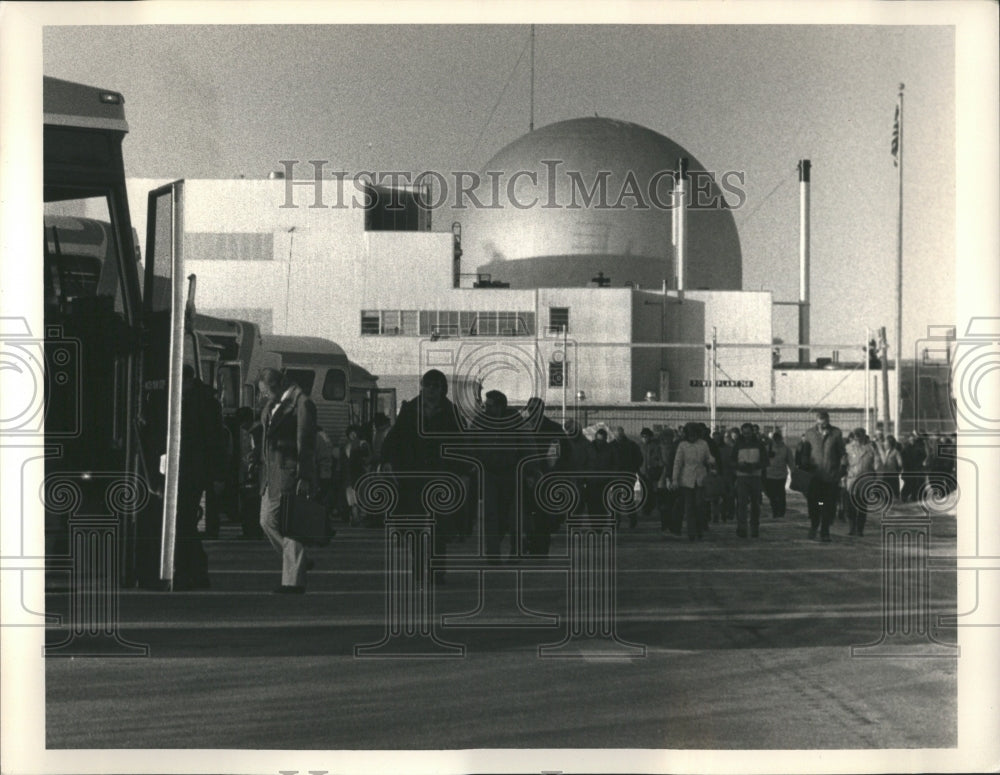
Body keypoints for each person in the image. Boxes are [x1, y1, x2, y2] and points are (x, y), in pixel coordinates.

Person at [381, 369, 466, 580]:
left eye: (435, 387)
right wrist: (386, 461)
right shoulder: (410, 410)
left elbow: (462, 445)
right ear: (422, 387)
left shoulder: (451, 412)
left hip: (440, 474)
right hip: (413, 475)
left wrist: (462, 471)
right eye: (427, 386)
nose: (431, 391)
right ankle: (419, 570)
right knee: (416, 525)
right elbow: (395, 437)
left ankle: (437, 570)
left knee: (439, 525)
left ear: (441, 389)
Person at [258, 367, 317, 594]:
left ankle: (293, 582)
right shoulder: (273, 405)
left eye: (265, 392)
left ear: (277, 386)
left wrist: (304, 475)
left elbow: (306, 442)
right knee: (266, 521)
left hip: (290, 473)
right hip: (271, 474)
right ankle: (298, 560)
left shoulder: (302, 404)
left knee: (290, 526)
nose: (263, 396)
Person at [174, 364, 227, 589]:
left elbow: (213, 441)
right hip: (193, 471)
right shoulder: (205, 400)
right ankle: (192, 571)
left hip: (192, 471)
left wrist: (217, 475)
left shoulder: (201, 403)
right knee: (185, 521)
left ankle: (192, 571)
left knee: (183, 521)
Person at [522, 398, 565, 556]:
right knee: (526, 513)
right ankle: (530, 542)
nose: (532, 411)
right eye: (530, 408)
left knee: (543, 514)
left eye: (535, 408)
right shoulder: (522, 428)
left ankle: (540, 547)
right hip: (526, 477)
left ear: (542, 409)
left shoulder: (553, 428)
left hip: (546, 477)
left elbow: (562, 455)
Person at [796, 410, 847, 542]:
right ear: (816, 421)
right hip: (815, 478)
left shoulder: (836, 433)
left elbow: (842, 453)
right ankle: (814, 525)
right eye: (820, 424)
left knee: (828, 505)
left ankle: (825, 530)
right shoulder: (810, 434)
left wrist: (842, 469)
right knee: (815, 503)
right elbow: (805, 454)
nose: (822, 426)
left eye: (825, 424)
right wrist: (805, 465)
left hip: (830, 477)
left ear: (828, 421)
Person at [670, 422, 714, 541]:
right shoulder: (682, 445)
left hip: (700, 478)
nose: (692, 438)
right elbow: (677, 463)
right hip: (686, 479)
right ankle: (691, 532)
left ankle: (700, 529)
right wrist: (675, 479)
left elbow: (708, 456)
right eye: (690, 435)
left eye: (694, 435)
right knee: (689, 507)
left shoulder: (703, 444)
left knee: (700, 506)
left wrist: (711, 460)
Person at [731, 422, 768, 538]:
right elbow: (731, 461)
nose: (746, 435)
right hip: (742, 476)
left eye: (748, 433)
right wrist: (739, 465)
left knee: (755, 504)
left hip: (755, 476)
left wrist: (755, 466)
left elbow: (766, 462)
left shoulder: (759, 445)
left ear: (752, 432)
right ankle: (742, 528)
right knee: (741, 504)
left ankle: (754, 527)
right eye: (744, 433)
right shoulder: (737, 445)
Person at [844, 427, 879, 536]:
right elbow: (843, 463)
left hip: (865, 481)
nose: (857, 438)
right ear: (853, 437)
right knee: (850, 506)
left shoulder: (871, 448)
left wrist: (875, 478)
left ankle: (860, 529)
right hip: (852, 480)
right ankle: (851, 527)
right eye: (856, 435)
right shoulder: (848, 448)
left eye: (859, 435)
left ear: (864, 436)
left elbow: (877, 464)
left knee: (862, 506)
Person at [610, 426, 643, 527]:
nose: (619, 436)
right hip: (620, 474)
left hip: (625, 474)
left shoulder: (630, 445)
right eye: (617, 434)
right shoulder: (630, 445)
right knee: (620, 498)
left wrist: (634, 468)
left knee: (623, 498)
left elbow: (639, 459)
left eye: (619, 434)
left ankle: (628, 519)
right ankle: (625, 519)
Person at [341, 424, 371, 526]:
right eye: (351, 433)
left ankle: (359, 517)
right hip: (349, 475)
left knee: (360, 496)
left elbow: (366, 459)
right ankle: (355, 517)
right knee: (351, 496)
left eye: (354, 433)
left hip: (359, 474)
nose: (353, 435)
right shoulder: (347, 445)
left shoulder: (363, 444)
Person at [763, 429, 793, 519]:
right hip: (770, 475)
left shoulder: (786, 449)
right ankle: (775, 511)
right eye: (775, 440)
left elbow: (790, 461)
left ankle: (781, 511)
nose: (777, 441)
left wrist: (793, 471)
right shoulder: (768, 448)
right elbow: (763, 460)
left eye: (778, 439)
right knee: (772, 494)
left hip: (781, 475)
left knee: (780, 494)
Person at [637, 428, 663, 519]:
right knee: (644, 490)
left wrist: (655, 465)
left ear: (649, 437)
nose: (644, 438)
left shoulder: (654, 446)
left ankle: (649, 508)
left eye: (646, 436)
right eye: (643, 436)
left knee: (651, 490)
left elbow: (658, 458)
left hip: (652, 471)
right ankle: (646, 508)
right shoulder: (639, 446)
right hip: (642, 471)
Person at [878, 435, 904, 500]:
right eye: (884, 442)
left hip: (892, 472)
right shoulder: (884, 452)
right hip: (885, 472)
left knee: (894, 487)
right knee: (884, 486)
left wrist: (898, 470)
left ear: (890, 443)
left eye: (886, 442)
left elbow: (900, 463)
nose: (884, 444)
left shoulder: (895, 452)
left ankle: (896, 498)